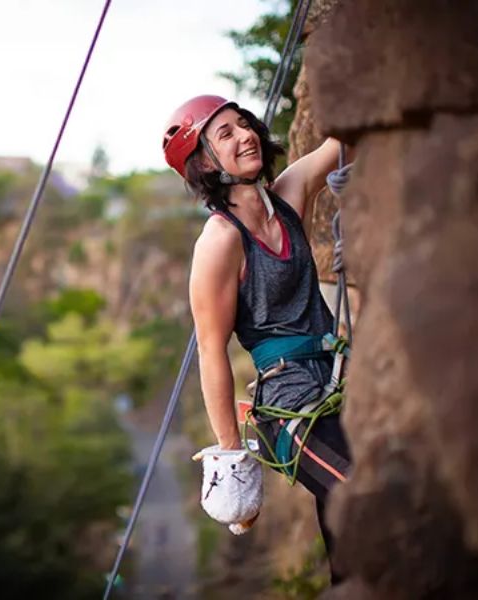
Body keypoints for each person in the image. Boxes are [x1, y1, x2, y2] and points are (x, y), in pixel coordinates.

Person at [162, 95, 351, 581]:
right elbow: (211, 351)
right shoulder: (220, 241)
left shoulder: (287, 197)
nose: (246, 135)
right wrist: (231, 455)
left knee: (349, 534)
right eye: (225, 133)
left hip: (338, 378)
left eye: (244, 124)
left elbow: (343, 141)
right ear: (205, 162)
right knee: (364, 496)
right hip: (289, 404)